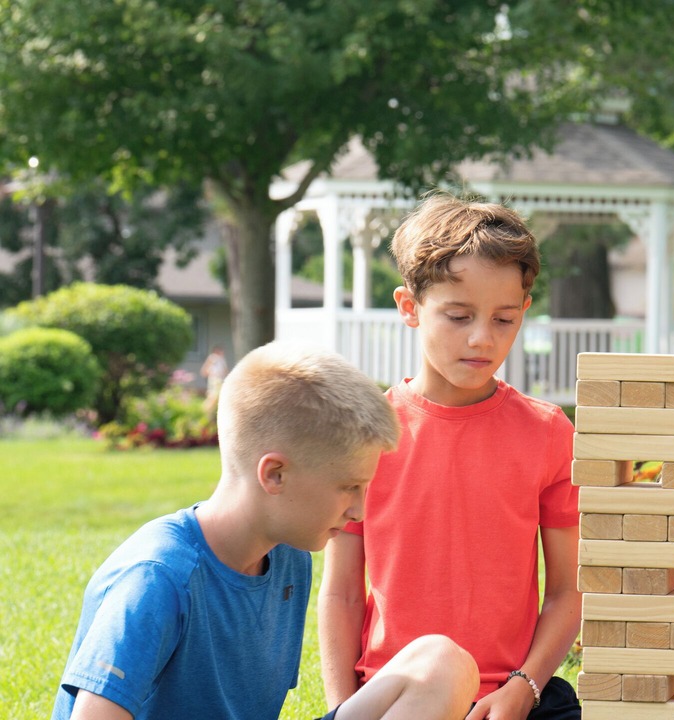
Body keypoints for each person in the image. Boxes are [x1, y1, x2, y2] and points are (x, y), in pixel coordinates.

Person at [52, 341, 480, 720]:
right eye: (349, 487)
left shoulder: (289, 554)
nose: (359, 510)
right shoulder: (158, 577)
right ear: (274, 474)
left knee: (444, 663)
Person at [319, 193, 581, 720]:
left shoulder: (548, 432)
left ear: (524, 311)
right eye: (458, 316)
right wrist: (344, 706)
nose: (482, 339)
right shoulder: (366, 433)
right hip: (399, 691)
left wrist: (524, 688)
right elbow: (343, 593)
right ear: (410, 308)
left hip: (514, 697)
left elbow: (566, 592)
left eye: (504, 320)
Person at [200, 345, 229, 416]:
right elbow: (204, 371)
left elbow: (225, 371)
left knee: (217, 397)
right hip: (215, 380)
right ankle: (204, 411)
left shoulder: (221, 359)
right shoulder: (213, 357)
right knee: (213, 396)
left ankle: (211, 412)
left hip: (220, 380)